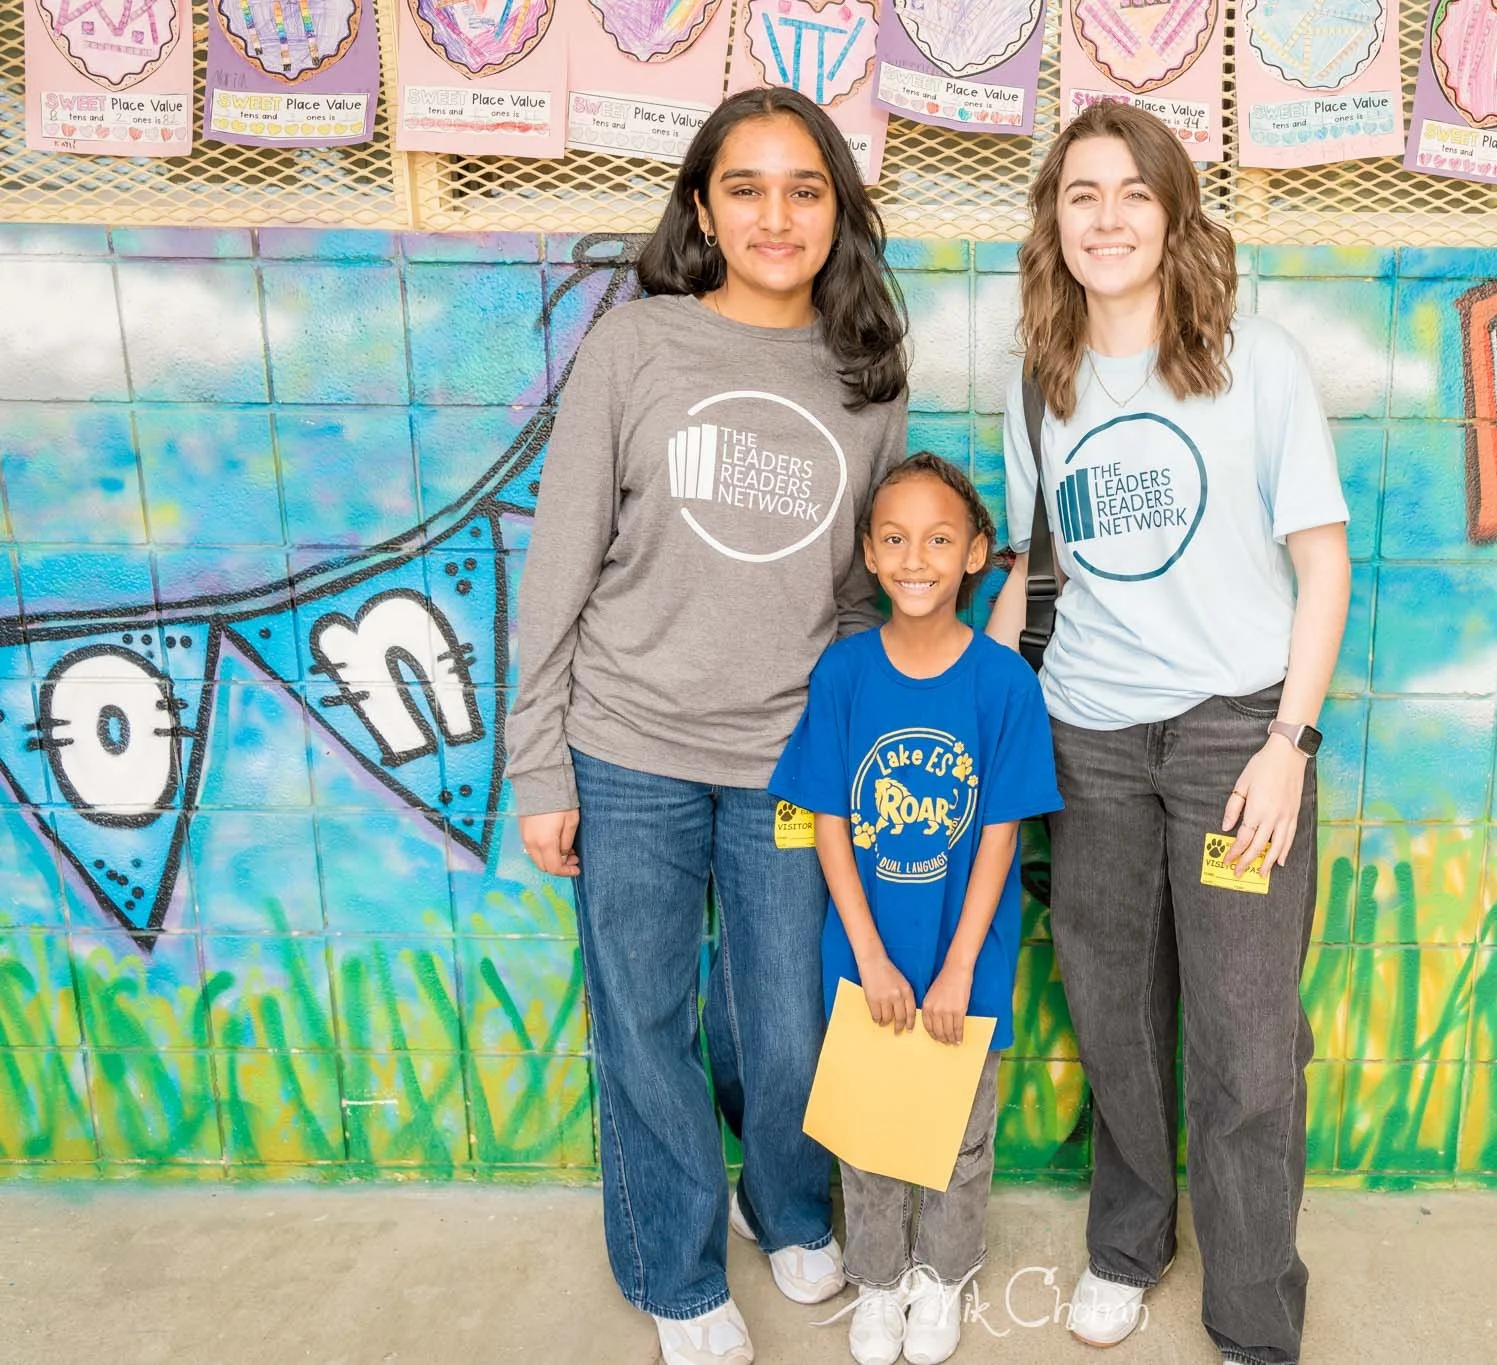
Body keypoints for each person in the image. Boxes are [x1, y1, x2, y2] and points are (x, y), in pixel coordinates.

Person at [505, 86, 909, 1365]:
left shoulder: (864, 378)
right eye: (745, 187)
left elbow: (855, 595)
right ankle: (674, 1271)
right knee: (644, 1016)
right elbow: (560, 562)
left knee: (786, 1022)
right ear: (701, 206)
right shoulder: (638, 349)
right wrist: (536, 763)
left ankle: (785, 1206)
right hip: (624, 748)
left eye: (805, 189)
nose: (775, 214)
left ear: (837, 211)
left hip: (789, 756)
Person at [987, 102, 1352, 1365]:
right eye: (1080, 194)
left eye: (1131, 193)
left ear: (1173, 213)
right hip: (1085, 741)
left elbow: (1322, 565)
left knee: (1248, 1040)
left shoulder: (1258, 364)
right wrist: (977, 705)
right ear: (1054, 222)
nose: (1105, 217)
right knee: (1114, 1016)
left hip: (1228, 739)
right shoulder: (1040, 380)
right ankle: (1127, 1242)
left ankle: (1253, 1312)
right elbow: (1036, 576)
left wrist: (1284, 746)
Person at [771, 454, 1062, 1365]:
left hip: (959, 958)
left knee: (958, 1135)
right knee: (868, 1138)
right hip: (867, 956)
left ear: (977, 553)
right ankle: (881, 1282)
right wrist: (870, 953)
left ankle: (941, 1277)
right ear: (867, 551)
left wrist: (959, 963)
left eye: (940, 539)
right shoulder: (845, 673)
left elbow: (1001, 834)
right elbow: (826, 818)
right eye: (893, 538)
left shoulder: (1004, 685)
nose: (915, 557)